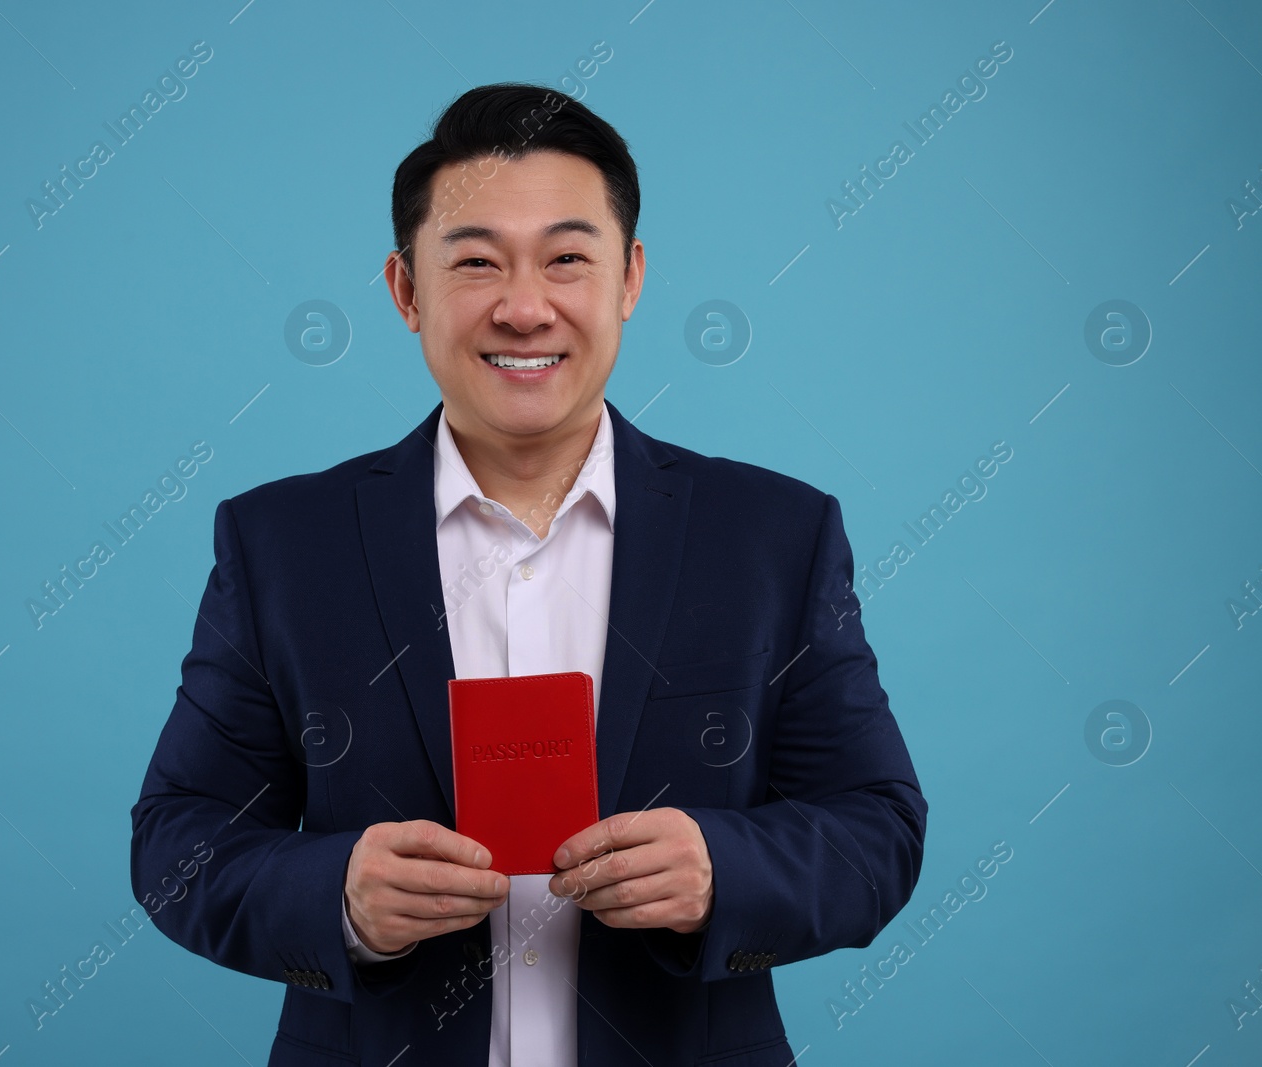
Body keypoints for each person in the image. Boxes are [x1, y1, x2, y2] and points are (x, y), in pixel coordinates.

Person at [131, 82, 926, 1067]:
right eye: (475, 263)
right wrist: (336, 892)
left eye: (566, 259)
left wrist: (725, 868)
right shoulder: (284, 542)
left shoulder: (772, 532)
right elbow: (177, 840)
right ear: (405, 289)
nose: (522, 307)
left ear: (629, 278)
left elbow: (877, 828)